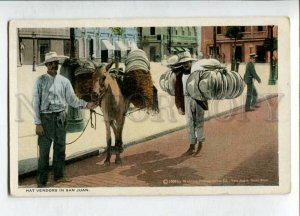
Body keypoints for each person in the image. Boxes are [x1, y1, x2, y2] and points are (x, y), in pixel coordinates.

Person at [32, 51, 96, 187]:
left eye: (55, 63)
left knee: (60, 149)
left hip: (61, 117)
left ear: (58, 64)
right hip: (45, 118)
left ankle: (59, 176)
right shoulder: (40, 81)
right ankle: (42, 181)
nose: (53, 65)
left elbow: (72, 100)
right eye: (50, 63)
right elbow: (35, 103)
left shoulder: (64, 81)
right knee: (44, 152)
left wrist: (86, 105)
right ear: (46, 65)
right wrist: (38, 123)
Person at [177, 52, 208, 156]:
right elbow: (178, 91)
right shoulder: (180, 74)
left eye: (188, 62)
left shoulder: (197, 72)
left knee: (199, 122)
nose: (186, 64)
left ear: (191, 62)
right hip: (186, 99)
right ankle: (191, 145)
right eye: (184, 62)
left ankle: (200, 143)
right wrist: (179, 105)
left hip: (197, 98)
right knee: (189, 123)